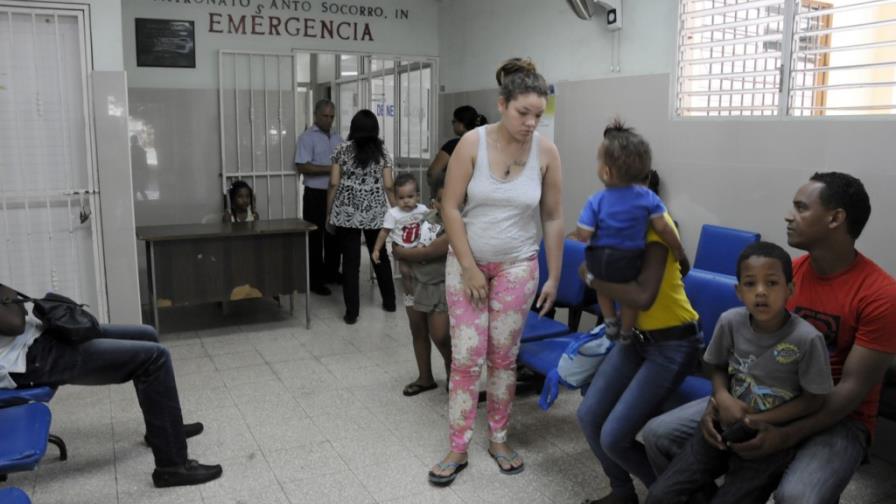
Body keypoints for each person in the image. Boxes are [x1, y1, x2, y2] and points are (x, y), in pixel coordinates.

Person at [642, 172, 896, 504]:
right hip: (768, 397)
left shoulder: (880, 294)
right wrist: (717, 404)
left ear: (835, 218)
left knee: (798, 496)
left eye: (801, 208)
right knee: (659, 436)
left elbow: (850, 392)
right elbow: (743, 353)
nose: (789, 216)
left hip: (839, 418)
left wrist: (785, 435)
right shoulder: (784, 276)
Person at [427, 57, 564, 486]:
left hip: (518, 265)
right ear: (502, 104)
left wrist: (554, 275)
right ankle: (458, 444)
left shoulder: (546, 151)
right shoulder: (472, 143)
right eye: (523, 112)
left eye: (538, 115)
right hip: (468, 262)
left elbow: (554, 217)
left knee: (504, 359)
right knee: (467, 357)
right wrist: (468, 267)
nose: (531, 122)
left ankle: (499, 436)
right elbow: (450, 207)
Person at [646, 241, 833, 504]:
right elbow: (717, 365)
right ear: (738, 291)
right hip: (722, 427)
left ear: (790, 289)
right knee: (659, 496)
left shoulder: (808, 339)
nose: (760, 292)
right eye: (749, 284)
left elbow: (815, 399)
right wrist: (721, 397)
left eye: (771, 283)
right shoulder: (730, 322)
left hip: (769, 438)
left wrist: (758, 420)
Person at [575, 138, 702, 503]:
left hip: (673, 343)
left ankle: (675, 495)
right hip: (636, 342)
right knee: (589, 417)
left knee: (614, 435)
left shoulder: (658, 229)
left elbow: (641, 295)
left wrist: (591, 276)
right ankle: (621, 491)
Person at [0, 284, 222, 488]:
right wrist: (8, 301)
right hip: (28, 360)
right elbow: (15, 322)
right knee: (156, 357)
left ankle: (165, 432)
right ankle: (172, 467)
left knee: (147, 335)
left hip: (40, 335)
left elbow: (13, 300)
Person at [576, 120, 689, 344]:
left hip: (664, 331)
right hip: (629, 262)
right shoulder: (649, 202)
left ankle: (609, 321)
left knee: (604, 284)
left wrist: (590, 275)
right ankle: (625, 331)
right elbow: (666, 229)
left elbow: (583, 233)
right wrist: (680, 251)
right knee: (625, 294)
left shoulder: (600, 200)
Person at [326, 109, 397, 325]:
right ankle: (390, 302)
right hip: (375, 212)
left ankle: (352, 313)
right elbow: (388, 185)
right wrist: (397, 212)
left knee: (350, 261)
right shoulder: (383, 152)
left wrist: (328, 213)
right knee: (380, 256)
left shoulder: (341, 150)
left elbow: (333, 183)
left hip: (346, 212)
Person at [391, 172, 452, 397]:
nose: (444, 205)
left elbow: (425, 251)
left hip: (439, 285)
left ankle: (454, 373)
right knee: (418, 330)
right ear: (434, 202)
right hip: (413, 283)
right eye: (440, 201)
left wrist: (404, 253)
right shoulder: (427, 218)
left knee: (440, 335)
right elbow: (404, 241)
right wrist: (402, 254)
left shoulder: (458, 226)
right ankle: (425, 377)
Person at [296, 99, 343, 296]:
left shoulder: (338, 138)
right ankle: (315, 280)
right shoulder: (307, 138)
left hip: (336, 194)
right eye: (325, 116)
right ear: (316, 115)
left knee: (334, 235)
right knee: (315, 238)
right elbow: (303, 166)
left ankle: (331, 273)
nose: (329, 120)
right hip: (315, 194)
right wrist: (331, 169)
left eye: (332, 116)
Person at [371, 174, 429, 309]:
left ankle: (422, 295)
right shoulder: (393, 213)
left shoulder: (423, 209)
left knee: (421, 273)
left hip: (420, 248)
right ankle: (410, 297)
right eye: (401, 198)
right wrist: (376, 249)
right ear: (395, 198)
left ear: (417, 196)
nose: (406, 201)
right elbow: (384, 232)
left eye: (410, 197)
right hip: (402, 250)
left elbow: (431, 221)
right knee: (405, 273)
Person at [427, 105, 488, 184]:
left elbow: (433, 173)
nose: (452, 124)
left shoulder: (453, 145)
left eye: (454, 121)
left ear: (462, 124)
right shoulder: (485, 144)